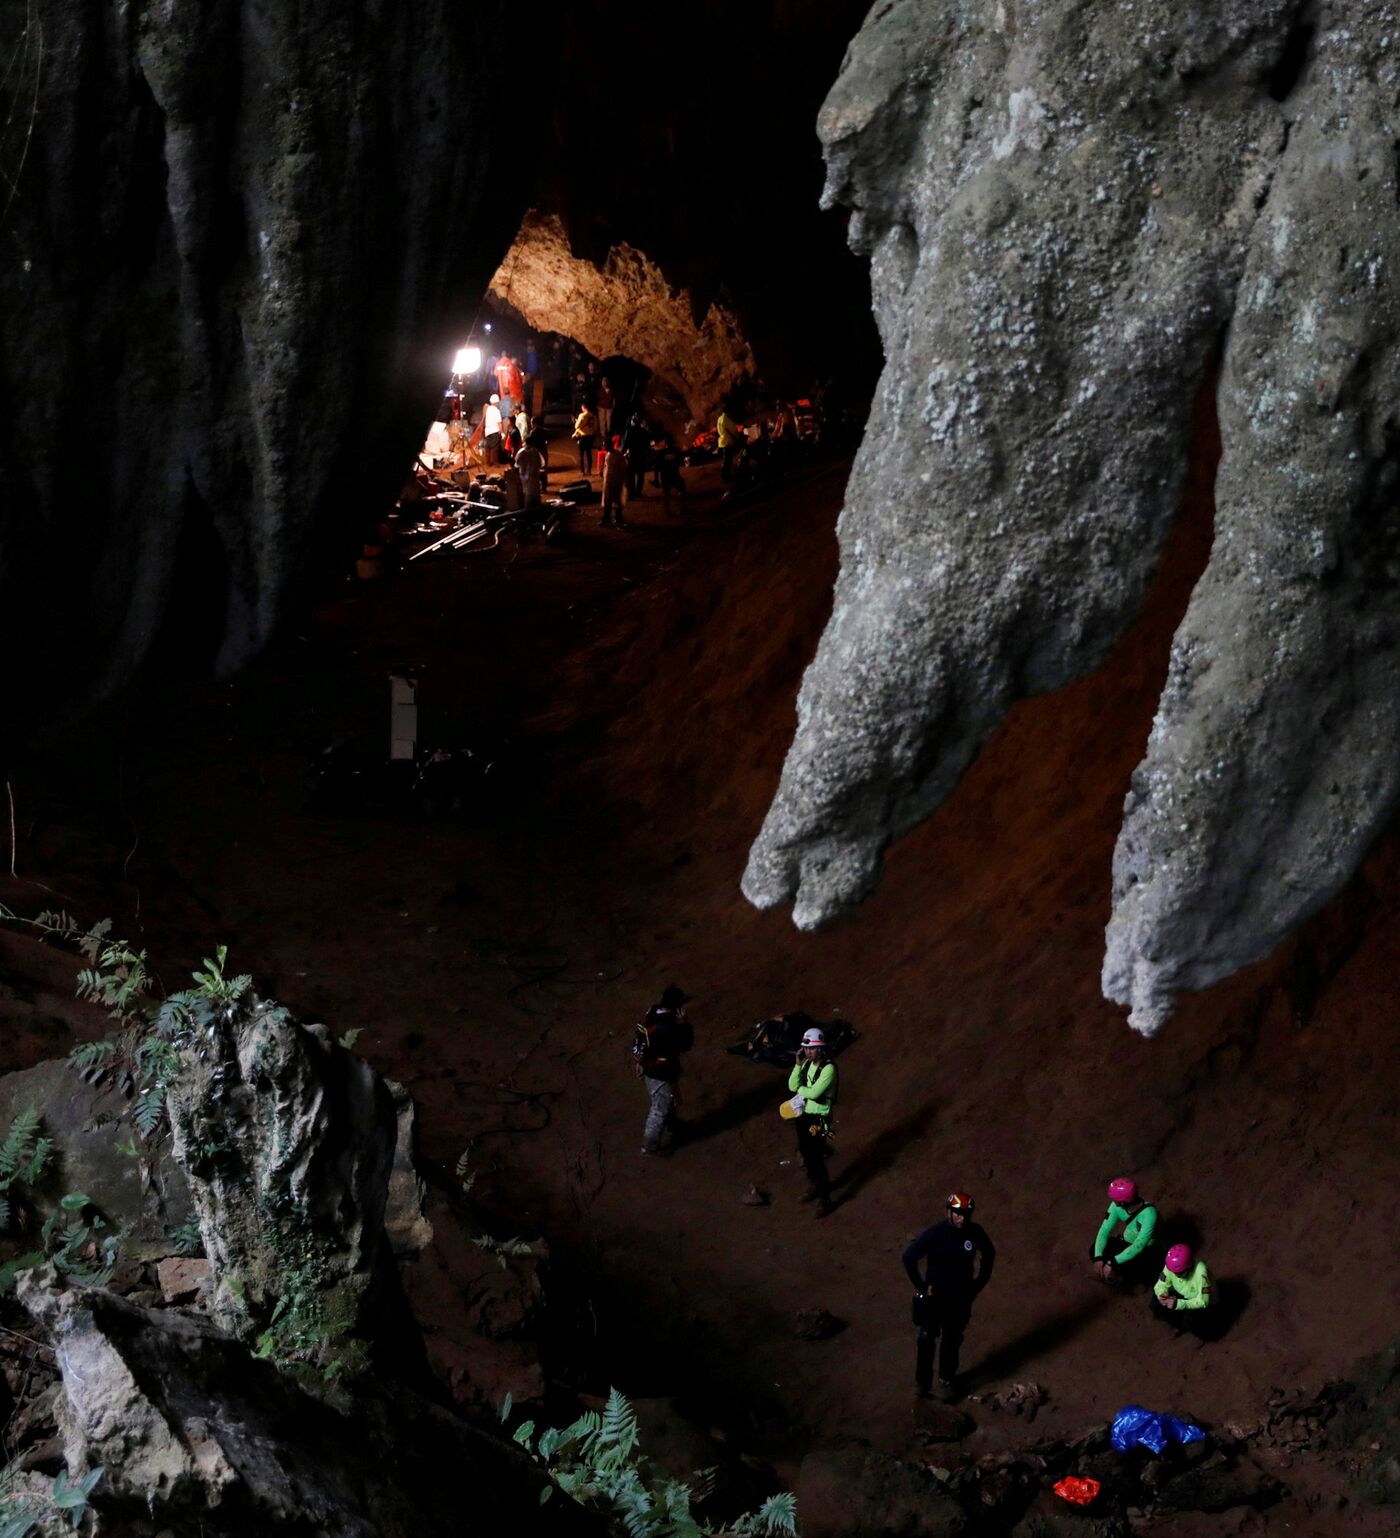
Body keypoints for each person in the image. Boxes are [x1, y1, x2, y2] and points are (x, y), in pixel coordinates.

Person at [903, 1192, 995, 1401]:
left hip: (960, 1299)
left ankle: (946, 1379)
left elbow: (989, 1254)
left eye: (965, 1214)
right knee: (926, 1339)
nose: (961, 1218)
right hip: (935, 1298)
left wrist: (977, 1284)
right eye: (957, 1214)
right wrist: (922, 1286)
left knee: (952, 1340)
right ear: (948, 1212)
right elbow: (909, 1257)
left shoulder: (974, 1232)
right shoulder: (936, 1233)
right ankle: (922, 1384)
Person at [632, 986, 693, 1154]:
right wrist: (685, 1023)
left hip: (650, 1066)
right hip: (660, 1073)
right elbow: (687, 1044)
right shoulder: (669, 1027)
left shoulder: (651, 1012)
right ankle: (650, 1145)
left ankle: (673, 1125)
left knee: (667, 1099)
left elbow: (640, 1038)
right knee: (659, 1108)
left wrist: (640, 1061)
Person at [786, 1026, 838, 1217]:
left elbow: (815, 1093)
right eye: (806, 1048)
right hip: (804, 1116)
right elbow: (792, 1085)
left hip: (819, 1118)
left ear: (821, 1049)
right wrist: (798, 1065)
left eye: (812, 1048)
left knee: (816, 1157)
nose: (808, 1051)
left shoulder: (829, 1068)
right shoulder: (807, 1064)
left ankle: (825, 1198)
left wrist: (801, 1090)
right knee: (806, 1155)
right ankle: (814, 1185)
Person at [1091, 1177, 1158, 1287]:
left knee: (1141, 1271)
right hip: (1126, 1241)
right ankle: (1113, 1275)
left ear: (1122, 1202)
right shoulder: (1115, 1206)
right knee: (1095, 1249)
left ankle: (1126, 1282)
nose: (1113, 1201)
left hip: (1147, 1248)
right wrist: (1098, 1257)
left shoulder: (1149, 1214)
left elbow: (1139, 1246)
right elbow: (1104, 1230)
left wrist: (1111, 1262)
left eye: (1115, 1199)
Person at [1152, 1243, 1213, 1329]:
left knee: (1193, 1320)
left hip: (1200, 1302)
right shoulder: (1171, 1266)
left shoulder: (1201, 1274)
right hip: (1183, 1295)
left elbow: (1204, 1302)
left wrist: (1179, 1304)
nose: (1176, 1275)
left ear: (1190, 1265)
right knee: (1155, 1302)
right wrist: (1162, 1294)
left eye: (1179, 1273)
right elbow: (1160, 1284)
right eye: (1174, 1273)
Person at [599, 440, 629, 528]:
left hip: (616, 481)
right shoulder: (608, 454)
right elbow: (606, 466)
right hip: (608, 481)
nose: (604, 447)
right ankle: (607, 519)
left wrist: (624, 481)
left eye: (605, 445)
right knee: (607, 501)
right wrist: (603, 472)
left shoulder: (618, 456)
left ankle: (618, 518)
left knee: (616, 501)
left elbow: (623, 469)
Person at [654, 436, 686, 516]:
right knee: (681, 489)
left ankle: (667, 511)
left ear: (665, 443)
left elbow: (656, 468)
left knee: (666, 494)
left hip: (665, 477)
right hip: (675, 475)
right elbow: (681, 461)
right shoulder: (676, 451)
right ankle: (682, 509)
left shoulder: (660, 453)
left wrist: (656, 480)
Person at [622, 412, 652, 498]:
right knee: (640, 475)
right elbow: (647, 444)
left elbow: (626, 443)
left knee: (631, 474)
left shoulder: (630, 430)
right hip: (641, 455)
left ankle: (632, 492)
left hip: (632, 455)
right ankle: (638, 492)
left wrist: (623, 453)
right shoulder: (643, 431)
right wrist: (648, 454)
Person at [716, 404, 744, 481]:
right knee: (727, 461)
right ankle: (726, 476)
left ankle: (725, 475)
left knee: (726, 460)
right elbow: (733, 430)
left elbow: (719, 431)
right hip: (727, 442)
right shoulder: (726, 419)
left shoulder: (720, 419)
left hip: (722, 441)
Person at [515, 442, 544, 507]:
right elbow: (541, 463)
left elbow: (516, 464)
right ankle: (536, 505)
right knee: (535, 490)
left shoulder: (521, 452)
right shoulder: (535, 451)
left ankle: (528, 505)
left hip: (524, 475)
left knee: (526, 490)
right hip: (534, 475)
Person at [572, 403, 598, 474]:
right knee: (589, 453)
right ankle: (589, 470)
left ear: (583, 408)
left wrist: (576, 421)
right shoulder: (593, 416)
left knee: (581, 454)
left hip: (583, 437)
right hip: (590, 437)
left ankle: (582, 471)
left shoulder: (581, 415)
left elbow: (576, 426)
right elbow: (595, 427)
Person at [482, 393, 503, 466]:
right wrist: (501, 432)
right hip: (495, 431)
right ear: (496, 402)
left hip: (487, 431)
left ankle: (488, 463)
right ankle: (495, 463)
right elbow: (499, 422)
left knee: (488, 447)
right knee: (495, 448)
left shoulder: (487, 409)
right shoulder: (496, 410)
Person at [597, 376, 615, 445]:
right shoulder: (600, 390)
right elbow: (598, 399)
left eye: (605, 381)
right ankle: (603, 434)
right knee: (602, 421)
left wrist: (613, 407)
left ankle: (608, 433)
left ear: (607, 382)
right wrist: (598, 406)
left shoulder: (611, 390)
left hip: (609, 408)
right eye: (602, 381)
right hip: (601, 408)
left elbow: (613, 400)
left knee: (609, 421)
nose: (604, 383)